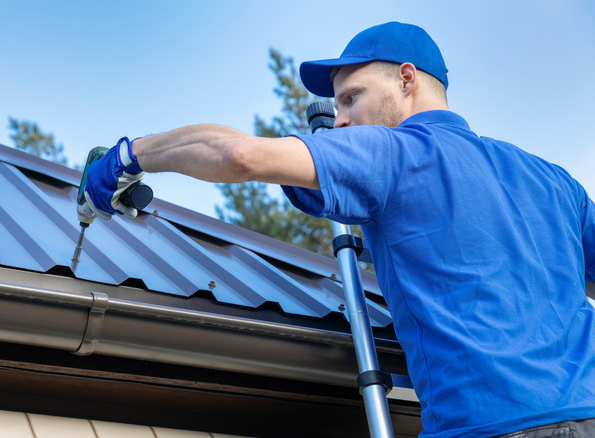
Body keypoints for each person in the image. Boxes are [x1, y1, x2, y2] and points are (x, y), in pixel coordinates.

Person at [81, 21, 595, 438]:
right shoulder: (551, 180)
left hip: (486, 427)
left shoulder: (391, 153)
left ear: (407, 80)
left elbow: (237, 154)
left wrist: (131, 155)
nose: (342, 121)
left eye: (351, 98)